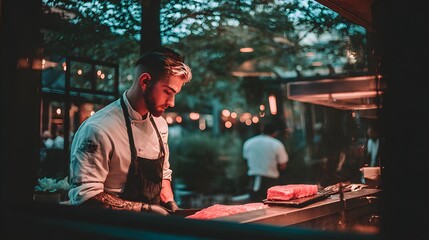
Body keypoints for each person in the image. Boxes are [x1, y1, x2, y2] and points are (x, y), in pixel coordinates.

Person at [68, 47, 192, 215]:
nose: (172, 103)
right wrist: (144, 209)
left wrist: (169, 202)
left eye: (175, 94)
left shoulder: (160, 125)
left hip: (151, 228)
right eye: (167, 92)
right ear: (145, 81)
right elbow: (85, 196)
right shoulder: (99, 129)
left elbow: (163, 173)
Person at [242, 121, 289, 202]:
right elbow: (283, 164)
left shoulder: (249, 142)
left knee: (255, 208)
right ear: (275, 133)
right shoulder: (276, 144)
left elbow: (245, 159)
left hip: (253, 181)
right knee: (273, 208)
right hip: (271, 182)